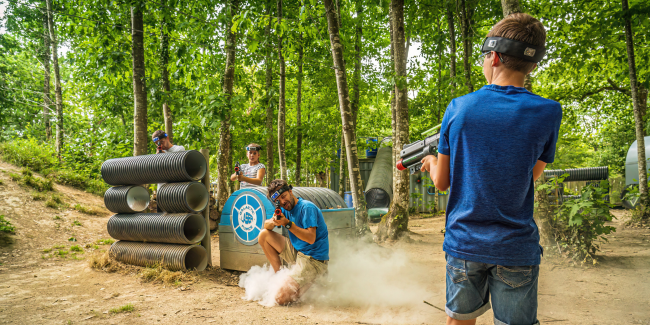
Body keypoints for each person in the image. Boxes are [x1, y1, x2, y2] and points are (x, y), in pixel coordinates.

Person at [420, 13, 562, 325]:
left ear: (493, 57)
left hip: (465, 244)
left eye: (485, 58)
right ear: (533, 64)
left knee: (459, 320)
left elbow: (442, 182)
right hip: (516, 247)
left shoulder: (460, 107)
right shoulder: (549, 112)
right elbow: (530, 175)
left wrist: (431, 162)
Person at [257, 179, 329, 305]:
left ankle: (312, 281)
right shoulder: (284, 209)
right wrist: (274, 221)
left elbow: (311, 238)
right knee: (263, 235)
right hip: (298, 252)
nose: (283, 202)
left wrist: (288, 224)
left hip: (313, 260)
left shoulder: (307, 207)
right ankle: (279, 277)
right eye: (278, 201)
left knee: (280, 298)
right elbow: (265, 225)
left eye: (284, 196)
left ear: (290, 191)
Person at [152, 130, 185, 212]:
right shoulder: (158, 153)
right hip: (162, 194)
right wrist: (156, 159)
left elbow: (177, 168)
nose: (160, 145)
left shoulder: (179, 149)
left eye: (162, 142)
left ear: (167, 138)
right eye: (157, 143)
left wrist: (165, 157)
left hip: (175, 193)